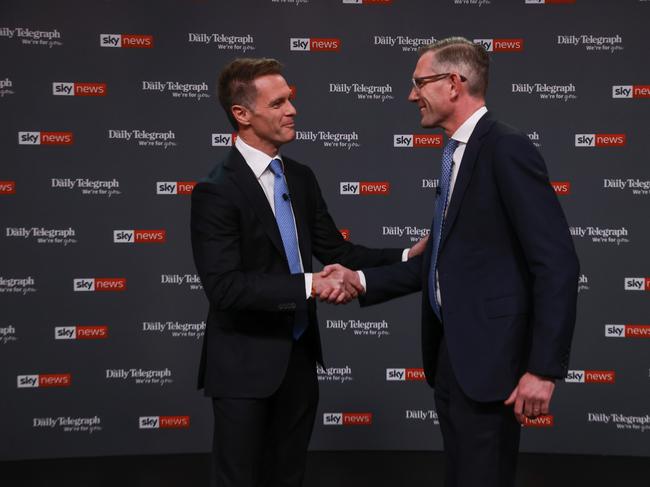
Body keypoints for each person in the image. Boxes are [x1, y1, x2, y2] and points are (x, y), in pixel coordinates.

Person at [324, 37, 579, 487]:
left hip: (493, 361)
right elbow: (444, 263)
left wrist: (542, 370)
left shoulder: (505, 149)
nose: (411, 95)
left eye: (419, 82)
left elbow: (556, 263)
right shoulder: (455, 155)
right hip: (452, 360)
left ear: (454, 84)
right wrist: (361, 279)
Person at [190, 57, 426, 487]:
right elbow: (225, 288)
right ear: (242, 114)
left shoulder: (299, 177)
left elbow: (337, 250)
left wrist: (409, 255)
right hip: (243, 366)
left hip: (298, 361)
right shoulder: (215, 190)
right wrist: (311, 284)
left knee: (289, 476)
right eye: (278, 103)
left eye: (290, 100)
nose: (292, 110)